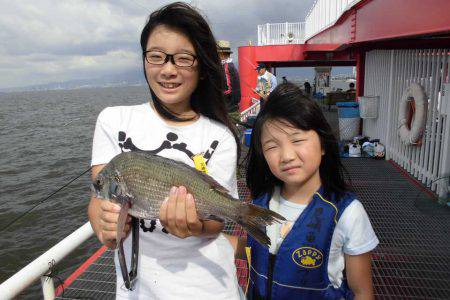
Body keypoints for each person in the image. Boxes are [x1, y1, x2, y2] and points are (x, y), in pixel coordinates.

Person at [88, 2, 242, 299]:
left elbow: (215, 224)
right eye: (156, 57)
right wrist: (104, 223)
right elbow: (99, 196)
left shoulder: (220, 135)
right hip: (139, 290)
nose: (168, 69)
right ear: (144, 60)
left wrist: (194, 226)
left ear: (201, 65)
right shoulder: (112, 120)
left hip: (208, 289)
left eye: (183, 59)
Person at [227, 83, 379, 299]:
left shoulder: (348, 212)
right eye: (272, 146)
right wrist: (204, 234)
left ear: (323, 144)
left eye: (297, 140)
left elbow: (362, 292)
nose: (287, 155)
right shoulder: (261, 203)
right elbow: (256, 250)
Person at [217, 40, 241, 112]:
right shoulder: (230, 65)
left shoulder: (226, 67)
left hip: (228, 107)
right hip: (232, 106)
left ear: (223, 55)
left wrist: (216, 94)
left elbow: (229, 90)